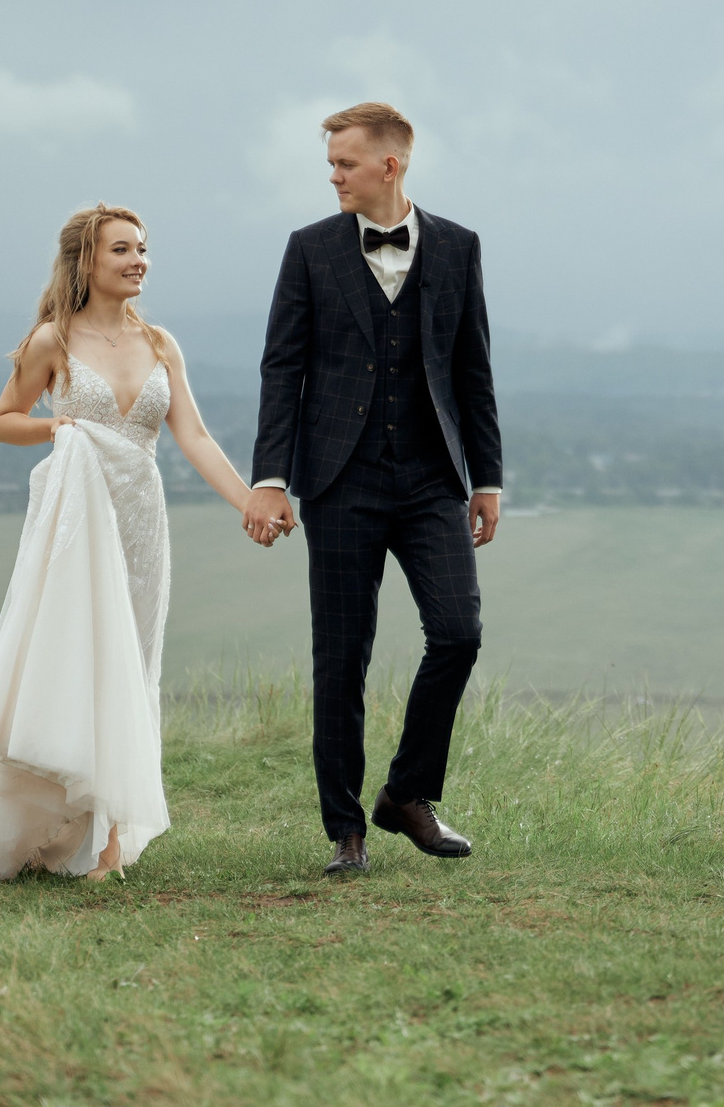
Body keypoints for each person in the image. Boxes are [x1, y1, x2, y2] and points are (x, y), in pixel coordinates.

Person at [0, 203, 255, 880]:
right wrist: (60, 431)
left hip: (140, 520)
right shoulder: (52, 340)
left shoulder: (159, 343)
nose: (138, 259)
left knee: (131, 663)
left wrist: (249, 500)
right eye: (122, 249)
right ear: (86, 261)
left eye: (142, 248)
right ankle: (55, 824)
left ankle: (107, 842)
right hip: (76, 520)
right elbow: (3, 420)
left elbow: (194, 436)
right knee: (75, 660)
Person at [244, 102, 503, 875]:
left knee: (459, 631)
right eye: (331, 162)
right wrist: (270, 475)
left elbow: (473, 370)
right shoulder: (309, 250)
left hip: (431, 479)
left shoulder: (458, 247)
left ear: (390, 164)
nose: (333, 174)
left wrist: (485, 475)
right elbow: (281, 367)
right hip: (338, 479)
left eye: (345, 162)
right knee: (342, 657)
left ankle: (407, 794)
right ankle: (346, 831)